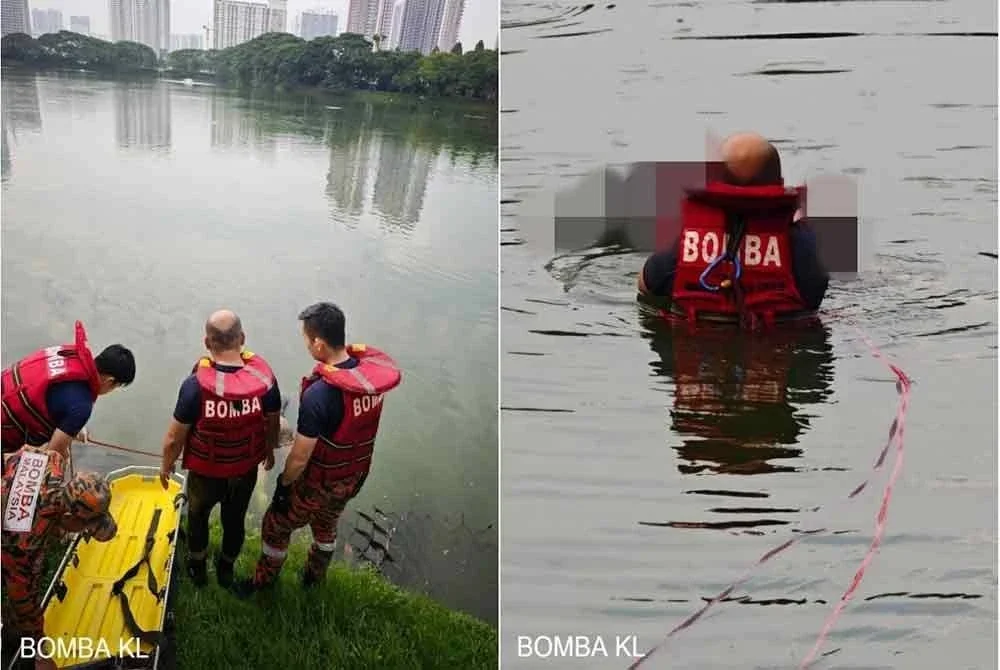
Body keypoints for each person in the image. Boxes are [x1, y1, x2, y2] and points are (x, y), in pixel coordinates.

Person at [234, 302, 401, 594]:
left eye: (306, 338)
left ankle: (262, 584)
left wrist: (284, 486)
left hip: (320, 481)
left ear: (319, 343)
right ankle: (314, 579)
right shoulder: (368, 383)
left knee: (276, 526)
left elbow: (300, 457)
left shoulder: (319, 395)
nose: (305, 344)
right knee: (327, 525)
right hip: (353, 477)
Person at [638, 132, 829, 326]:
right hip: (778, 346)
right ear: (778, 184)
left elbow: (646, 287)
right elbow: (815, 294)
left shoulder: (686, 241)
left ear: (716, 186)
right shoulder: (804, 247)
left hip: (695, 347)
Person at [158, 310, 282, 587]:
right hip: (244, 470)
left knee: (199, 517)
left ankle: (197, 568)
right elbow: (272, 422)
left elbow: (173, 439)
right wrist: (270, 451)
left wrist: (166, 465)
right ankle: (226, 568)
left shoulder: (194, 387)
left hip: (206, 474)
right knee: (234, 520)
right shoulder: (265, 382)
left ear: (207, 343)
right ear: (242, 339)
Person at [2, 446, 117, 670]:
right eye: (84, 528)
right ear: (68, 515)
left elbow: (23, 451)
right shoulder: (25, 540)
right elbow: (22, 596)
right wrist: (40, 652)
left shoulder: (52, 460)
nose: (82, 533)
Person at [1, 321, 136, 458]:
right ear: (110, 381)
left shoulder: (67, 353)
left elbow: (58, 397)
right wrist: (64, 450)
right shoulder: (82, 406)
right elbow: (51, 455)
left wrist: (72, 428)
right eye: (116, 387)